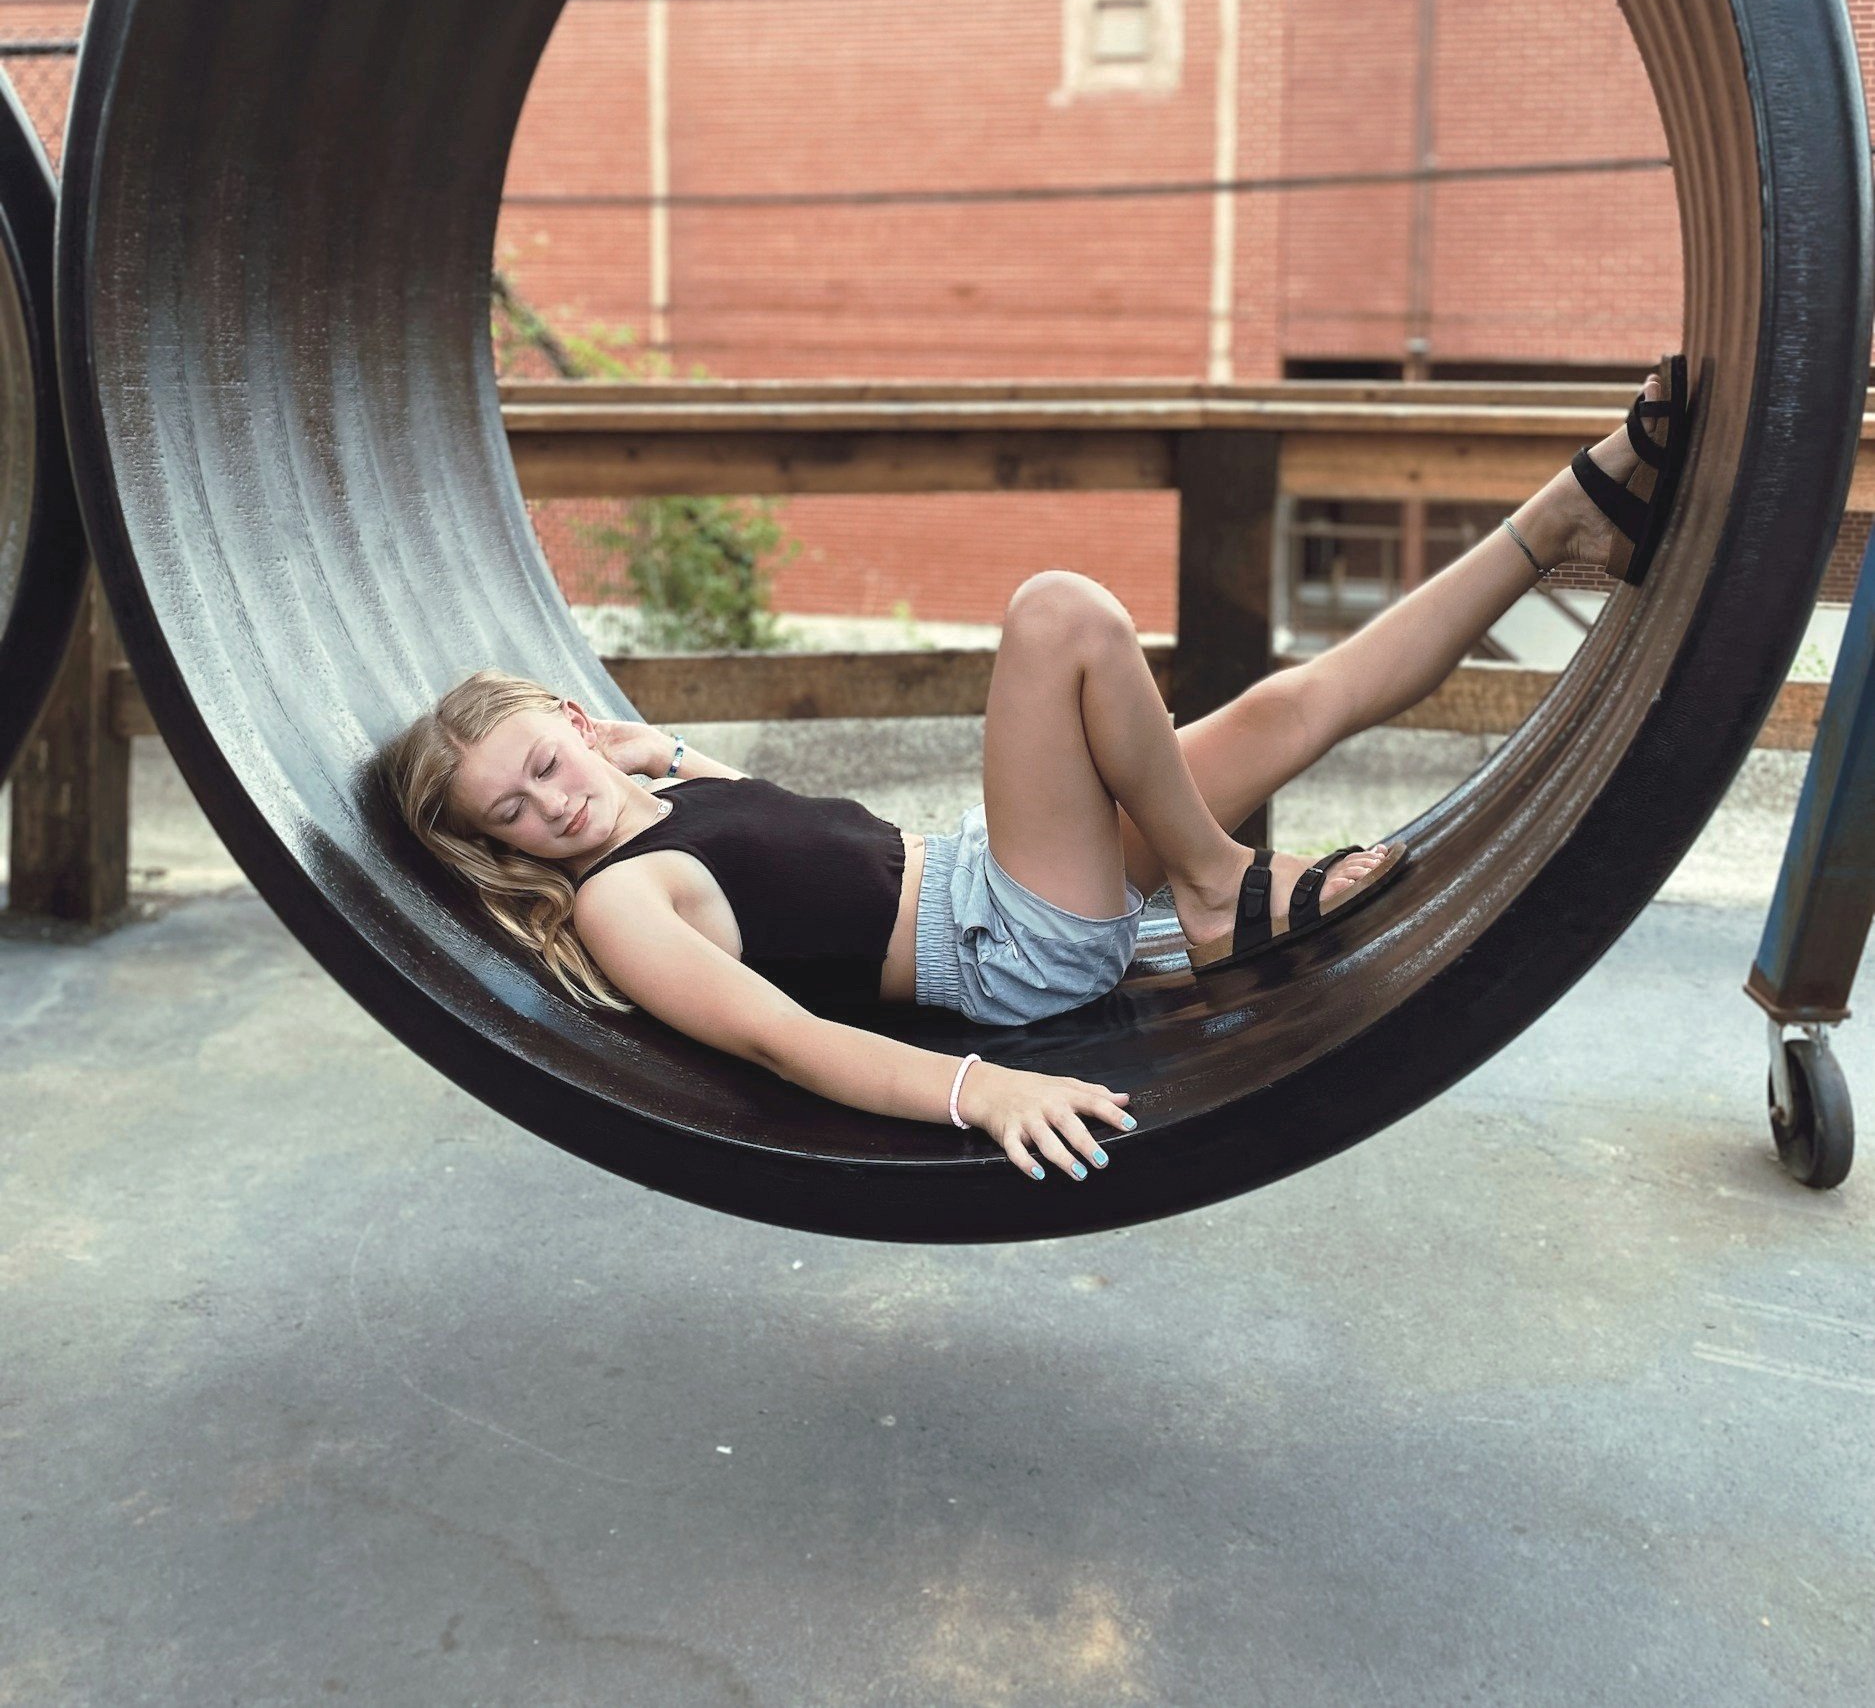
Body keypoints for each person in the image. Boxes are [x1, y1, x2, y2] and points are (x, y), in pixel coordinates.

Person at [386, 366, 1685, 1189]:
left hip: (989, 882)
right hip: (1001, 941)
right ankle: (1218, 885)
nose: (552, 805)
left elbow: (730, 816)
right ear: (502, 846)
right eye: (514, 814)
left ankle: (1564, 519)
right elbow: (785, 1039)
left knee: (1295, 702)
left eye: (546, 764)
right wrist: (981, 1091)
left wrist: (646, 749)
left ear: (572, 716)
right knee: (1059, 614)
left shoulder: (655, 791)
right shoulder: (619, 902)